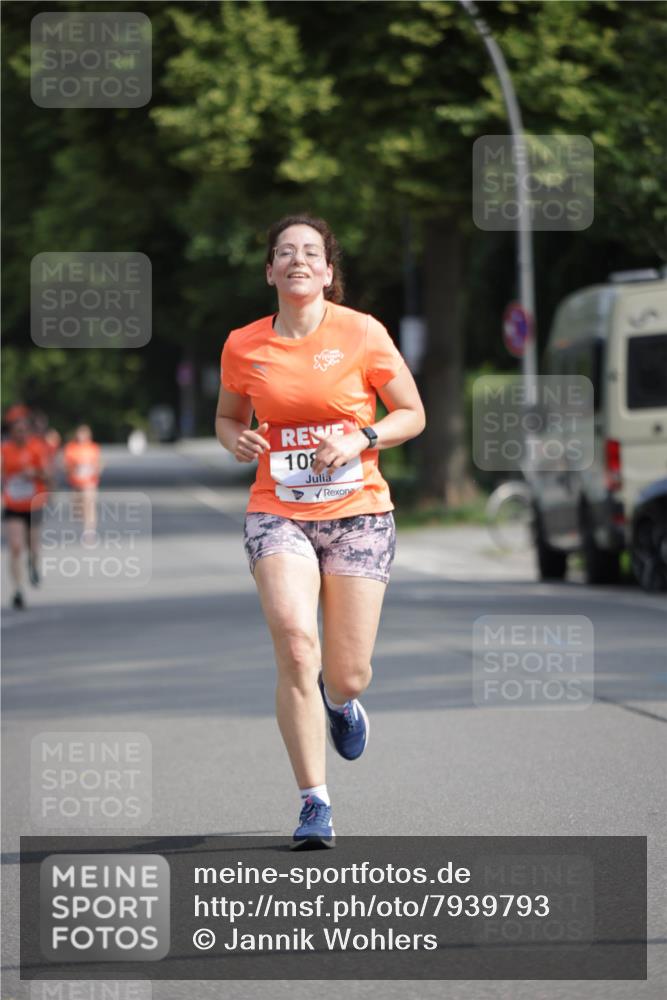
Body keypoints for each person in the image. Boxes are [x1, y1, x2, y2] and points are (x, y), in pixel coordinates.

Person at [215, 214, 425, 847]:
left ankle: (341, 702)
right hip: (277, 507)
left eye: (311, 252)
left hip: (359, 510)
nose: (298, 260)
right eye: (286, 252)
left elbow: (411, 414)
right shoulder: (243, 345)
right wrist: (239, 440)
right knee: (296, 644)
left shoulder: (362, 333)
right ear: (270, 270)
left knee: (347, 671)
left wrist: (362, 436)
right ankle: (315, 801)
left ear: (328, 272)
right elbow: (227, 418)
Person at [1, 415, 51, 608]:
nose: (20, 435)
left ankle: (33, 564)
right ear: (11, 433)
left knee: (33, 545)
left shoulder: (36, 448)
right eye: (16, 431)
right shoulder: (4, 450)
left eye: (23, 431)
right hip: (13, 504)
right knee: (15, 547)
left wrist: (34, 473)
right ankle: (17, 590)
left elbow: (47, 474)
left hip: (34, 504)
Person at [63, 425, 102, 540]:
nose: (81, 437)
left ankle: (89, 530)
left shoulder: (93, 447)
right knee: (78, 509)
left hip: (90, 482)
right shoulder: (71, 448)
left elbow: (98, 463)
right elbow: (66, 465)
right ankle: (81, 518)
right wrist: (73, 468)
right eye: (79, 434)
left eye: (84, 434)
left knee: (89, 505)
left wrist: (96, 469)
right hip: (76, 483)